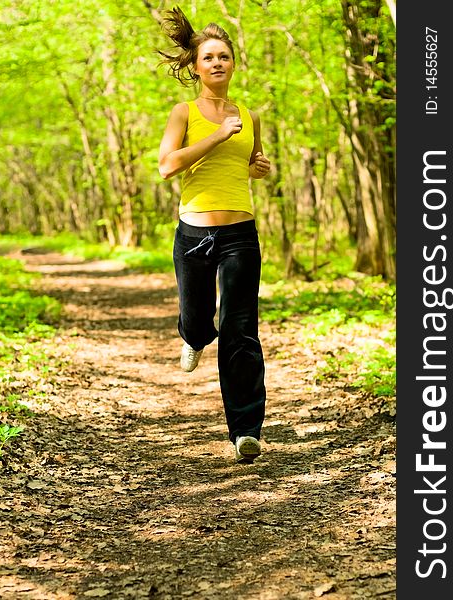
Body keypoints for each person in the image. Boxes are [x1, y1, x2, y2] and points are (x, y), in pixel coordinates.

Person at [157, 6, 271, 464]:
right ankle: (192, 334)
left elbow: (251, 163)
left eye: (224, 55)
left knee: (241, 331)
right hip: (194, 234)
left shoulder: (249, 115)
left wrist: (259, 168)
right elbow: (167, 166)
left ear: (233, 63)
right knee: (197, 317)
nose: (217, 63)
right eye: (209, 57)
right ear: (196, 65)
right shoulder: (183, 112)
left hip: (240, 232)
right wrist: (218, 136)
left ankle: (246, 430)